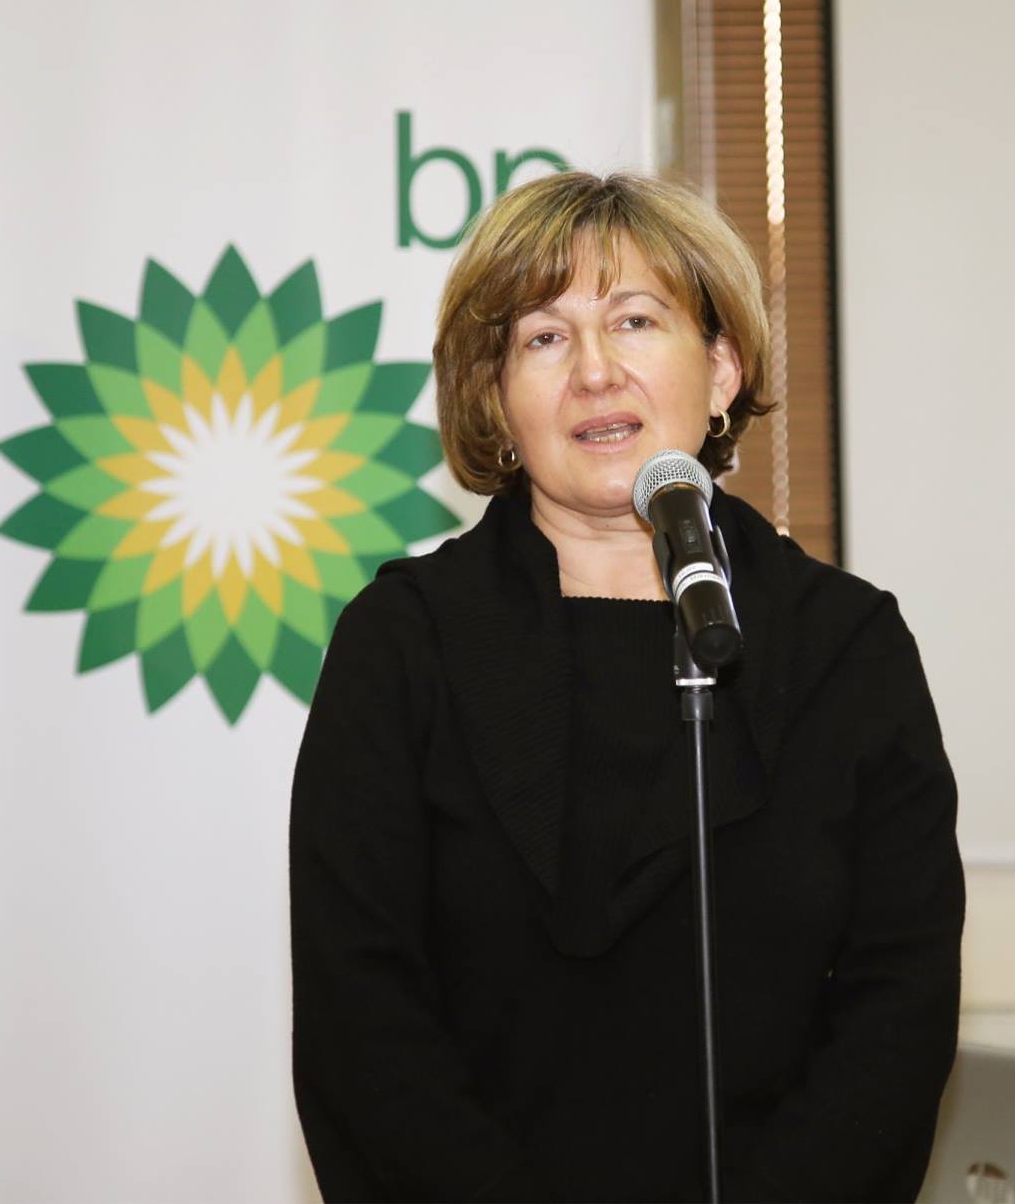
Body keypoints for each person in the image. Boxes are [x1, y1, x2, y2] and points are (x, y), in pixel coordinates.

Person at [289, 170, 964, 1202]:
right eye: (544, 338)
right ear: (496, 397)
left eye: (636, 321)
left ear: (722, 368)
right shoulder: (402, 645)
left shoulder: (844, 645)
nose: (595, 372)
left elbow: (896, 1006)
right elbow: (361, 1017)